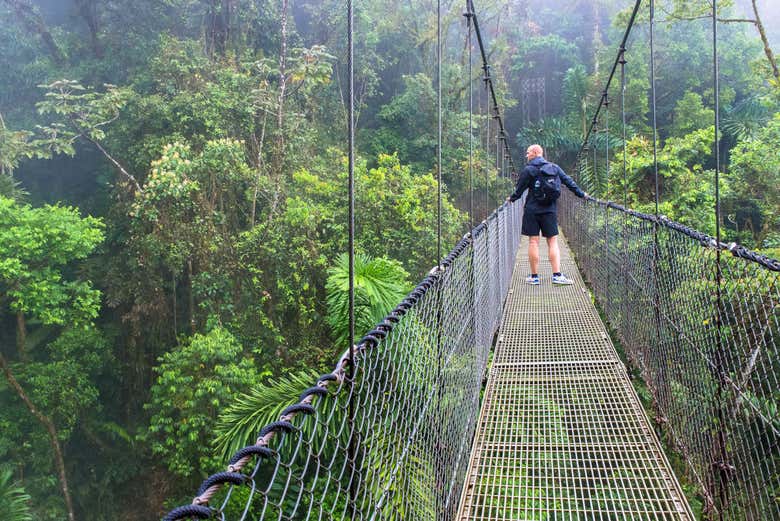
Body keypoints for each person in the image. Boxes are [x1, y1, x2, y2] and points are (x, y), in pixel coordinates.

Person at [506, 144, 586, 285]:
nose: (526, 155)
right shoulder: (554, 168)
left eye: (528, 152)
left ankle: (534, 277)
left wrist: (511, 199)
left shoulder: (528, 170)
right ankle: (557, 275)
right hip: (549, 210)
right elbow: (568, 182)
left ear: (536, 153)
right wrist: (582, 194)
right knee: (552, 242)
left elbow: (519, 190)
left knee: (533, 242)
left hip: (532, 210)